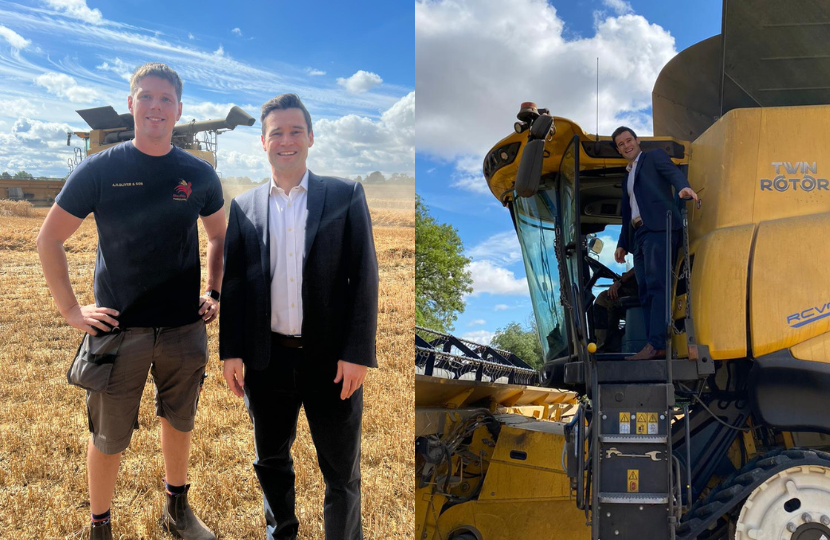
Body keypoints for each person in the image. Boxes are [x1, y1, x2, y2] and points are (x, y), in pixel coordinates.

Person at [36, 63, 222, 540]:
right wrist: (71, 311)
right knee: (109, 437)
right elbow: (49, 239)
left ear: (178, 109)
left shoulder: (198, 174)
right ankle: (100, 527)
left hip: (184, 329)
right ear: (131, 103)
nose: (156, 106)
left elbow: (220, 237)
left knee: (179, 422)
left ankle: (176, 511)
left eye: (166, 99)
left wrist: (215, 292)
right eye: (147, 96)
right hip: (119, 332)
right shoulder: (100, 168)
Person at [220, 93, 379, 540]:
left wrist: (356, 353)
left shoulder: (345, 195)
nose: (285, 141)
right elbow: (234, 286)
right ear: (263, 143)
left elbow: (364, 280)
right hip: (266, 361)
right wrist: (231, 351)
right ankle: (280, 534)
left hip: (332, 363)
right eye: (276, 133)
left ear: (310, 137)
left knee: (341, 474)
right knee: (270, 461)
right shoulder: (245, 207)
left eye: (294, 131)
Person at [612, 126, 699, 361]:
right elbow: (628, 212)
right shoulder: (627, 177)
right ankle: (655, 344)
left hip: (658, 230)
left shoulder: (653, 157)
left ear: (637, 141)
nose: (626, 145)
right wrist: (622, 243)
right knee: (645, 291)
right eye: (621, 144)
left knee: (656, 285)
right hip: (639, 234)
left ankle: (657, 343)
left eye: (629, 140)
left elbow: (672, 173)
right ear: (619, 150)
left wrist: (683, 187)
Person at [593, 268, 638, 352]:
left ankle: (604, 347)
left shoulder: (647, 257)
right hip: (642, 287)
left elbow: (640, 264)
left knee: (604, 299)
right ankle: (613, 342)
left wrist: (620, 281)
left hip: (642, 290)